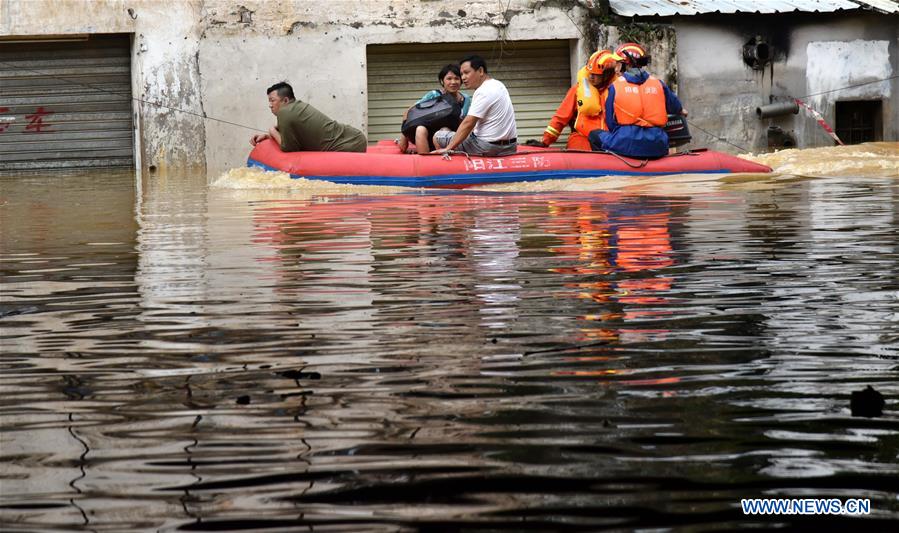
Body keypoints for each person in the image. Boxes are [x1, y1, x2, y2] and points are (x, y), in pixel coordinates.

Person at [590, 42, 685, 159]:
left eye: (618, 64)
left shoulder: (615, 87)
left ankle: (610, 165)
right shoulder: (658, 83)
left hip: (626, 143)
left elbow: (611, 123)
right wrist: (681, 110)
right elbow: (677, 108)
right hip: (658, 145)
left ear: (626, 64)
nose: (615, 69)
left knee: (594, 135)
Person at [432, 55, 517, 156]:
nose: (463, 78)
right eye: (462, 74)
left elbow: (468, 123)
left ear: (480, 71)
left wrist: (448, 148)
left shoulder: (483, 91)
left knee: (438, 136)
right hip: (511, 146)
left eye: (467, 73)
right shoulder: (498, 84)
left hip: (486, 147)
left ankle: (446, 165)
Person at [539, 49, 621, 150]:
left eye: (596, 74)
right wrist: (545, 141)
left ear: (607, 75)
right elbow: (560, 118)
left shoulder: (619, 91)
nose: (591, 77)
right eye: (590, 73)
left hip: (609, 140)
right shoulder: (577, 91)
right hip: (582, 138)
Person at [250, 81, 367, 152]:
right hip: (355, 138)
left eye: (272, 100)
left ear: (285, 100)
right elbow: (293, 138)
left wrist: (271, 130)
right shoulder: (295, 108)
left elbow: (288, 148)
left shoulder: (284, 112)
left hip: (350, 143)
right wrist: (268, 136)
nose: (270, 105)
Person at [398, 64, 471, 154]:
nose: (453, 82)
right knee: (420, 129)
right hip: (429, 135)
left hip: (451, 137)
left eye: (456, 78)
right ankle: (424, 162)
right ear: (442, 81)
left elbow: (467, 121)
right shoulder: (434, 95)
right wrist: (403, 138)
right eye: (449, 79)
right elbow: (410, 111)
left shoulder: (466, 99)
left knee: (444, 130)